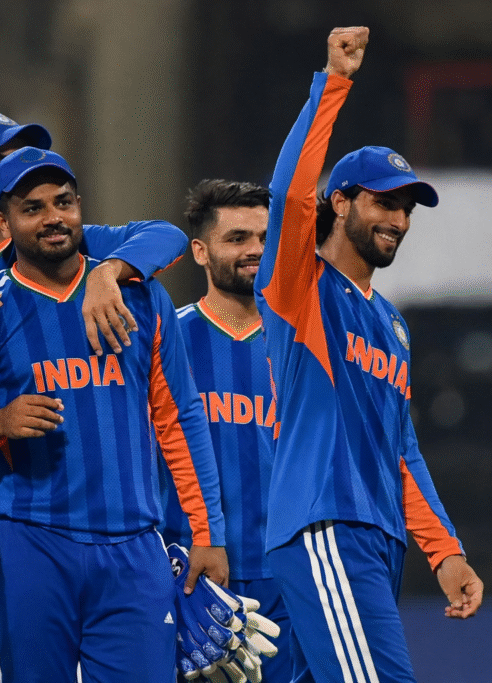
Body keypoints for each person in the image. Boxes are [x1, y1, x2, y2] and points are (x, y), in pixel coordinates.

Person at [0, 112, 190, 683]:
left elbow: (168, 235)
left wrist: (107, 274)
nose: (50, 213)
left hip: (13, 518)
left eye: (60, 200)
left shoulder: (81, 247)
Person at [256, 27, 483, 682]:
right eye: (385, 202)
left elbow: (401, 446)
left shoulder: (391, 324)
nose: (399, 220)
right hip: (327, 525)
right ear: (341, 201)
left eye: (408, 207)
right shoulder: (300, 288)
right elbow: (287, 198)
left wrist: (444, 553)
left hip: (373, 539)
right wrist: (332, 84)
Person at [0, 146, 226, 683]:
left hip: (134, 548)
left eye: (64, 202)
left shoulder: (140, 298)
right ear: (4, 222)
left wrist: (207, 532)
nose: (54, 218)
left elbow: (180, 420)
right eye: (33, 208)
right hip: (28, 542)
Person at [159, 179, 290, 681]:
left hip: (289, 575)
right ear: (200, 251)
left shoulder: (304, 346)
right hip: (194, 576)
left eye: (264, 236)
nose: (255, 249)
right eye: (237, 238)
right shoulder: (166, 339)